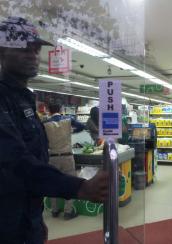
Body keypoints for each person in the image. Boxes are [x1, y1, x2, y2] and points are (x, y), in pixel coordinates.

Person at [0, 17, 108, 244]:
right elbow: (14, 160)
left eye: (36, 48)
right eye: (23, 48)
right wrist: (79, 187)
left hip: (26, 220)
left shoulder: (24, 98)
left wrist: (37, 221)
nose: (33, 54)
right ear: (2, 51)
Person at [43, 102, 85, 220]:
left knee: (53, 184)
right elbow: (82, 126)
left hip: (52, 157)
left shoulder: (45, 123)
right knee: (70, 183)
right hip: (67, 156)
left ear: (48, 110)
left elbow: (41, 138)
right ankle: (68, 211)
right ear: (61, 108)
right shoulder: (68, 119)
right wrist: (72, 132)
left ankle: (54, 210)